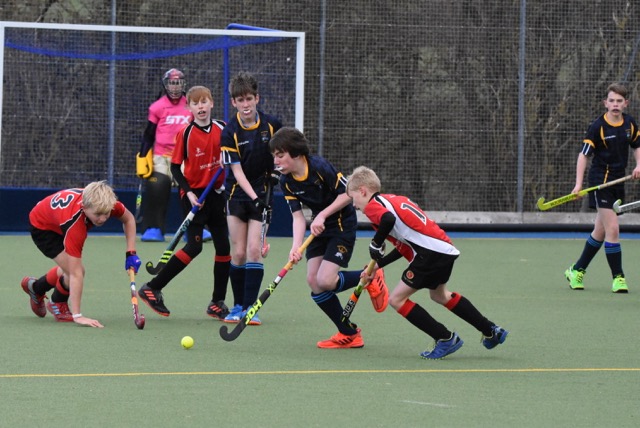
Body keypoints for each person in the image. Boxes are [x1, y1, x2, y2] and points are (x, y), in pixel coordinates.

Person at [347, 166, 508, 359]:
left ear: (363, 191)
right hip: (444, 250)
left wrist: (376, 242)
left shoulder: (374, 206)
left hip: (429, 254)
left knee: (396, 300)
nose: (354, 205)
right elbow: (404, 246)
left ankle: (445, 338)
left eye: (353, 198)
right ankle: (491, 330)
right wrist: (378, 266)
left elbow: (387, 220)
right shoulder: (394, 200)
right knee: (440, 295)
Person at [270, 127, 388, 348]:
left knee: (325, 280)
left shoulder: (318, 167)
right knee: (314, 282)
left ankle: (370, 275)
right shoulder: (285, 181)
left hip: (341, 224)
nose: (276, 161)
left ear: (295, 153)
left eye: (280, 155)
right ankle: (349, 334)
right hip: (319, 227)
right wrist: (296, 247)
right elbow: (297, 217)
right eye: (274, 156)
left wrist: (323, 215)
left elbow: (347, 194)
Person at [137, 85, 231, 319]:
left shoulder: (223, 128)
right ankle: (152, 288)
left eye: (204, 102)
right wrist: (188, 193)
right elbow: (176, 168)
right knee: (194, 247)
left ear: (212, 103)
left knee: (224, 247)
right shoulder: (185, 134)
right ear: (189, 107)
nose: (201, 107)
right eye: (195, 103)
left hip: (216, 194)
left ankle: (217, 302)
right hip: (194, 196)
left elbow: (234, 153)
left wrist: (227, 158)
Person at [21, 181, 141, 328]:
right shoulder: (75, 226)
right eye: (98, 214)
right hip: (43, 227)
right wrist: (78, 316)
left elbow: (128, 219)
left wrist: (131, 253)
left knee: (70, 267)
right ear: (84, 207)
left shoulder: (106, 203)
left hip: (58, 218)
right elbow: (76, 274)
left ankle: (36, 288)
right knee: (76, 270)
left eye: (106, 214)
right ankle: (57, 302)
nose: (103, 219)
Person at [220, 71, 283, 325]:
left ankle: (250, 308)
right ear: (233, 102)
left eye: (249, 99)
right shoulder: (230, 132)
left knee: (254, 250)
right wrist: (255, 197)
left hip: (263, 193)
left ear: (257, 98)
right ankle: (237, 306)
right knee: (238, 253)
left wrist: (277, 172)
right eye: (240, 100)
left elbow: (282, 155)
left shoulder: (272, 125)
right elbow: (236, 172)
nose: (245, 104)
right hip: (237, 194)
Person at [564, 83, 640, 293]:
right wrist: (578, 184)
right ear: (605, 103)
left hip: (618, 181)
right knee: (613, 229)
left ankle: (576, 270)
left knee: (600, 230)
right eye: (611, 101)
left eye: (619, 101)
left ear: (626, 103)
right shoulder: (597, 126)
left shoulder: (630, 124)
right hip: (600, 182)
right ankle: (618, 278)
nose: (615, 104)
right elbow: (583, 155)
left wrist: (639, 165)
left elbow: (637, 146)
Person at [136, 68, 212, 243]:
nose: (175, 87)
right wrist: (142, 157)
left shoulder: (191, 105)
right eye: (172, 83)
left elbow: (202, 131)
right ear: (166, 85)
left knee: (192, 189)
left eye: (178, 83)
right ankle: (154, 228)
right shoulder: (157, 107)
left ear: (183, 84)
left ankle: (195, 229)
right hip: (161, 157)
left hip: (186, 157)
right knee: (157, 186)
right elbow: (149, 134)